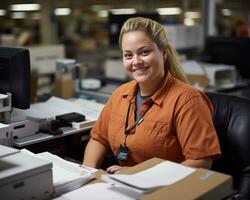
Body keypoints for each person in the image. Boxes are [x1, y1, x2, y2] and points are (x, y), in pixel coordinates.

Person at [83, 17, 221, 174]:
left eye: (144, 52)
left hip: (167, 189)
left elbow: (201, 162)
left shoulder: (188, 100)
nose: (136, 61)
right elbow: (98, 138)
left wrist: (139, 175)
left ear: (164, 53)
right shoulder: (120, 94)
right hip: (122, 184)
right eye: (128, 55)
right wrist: (88, 174)